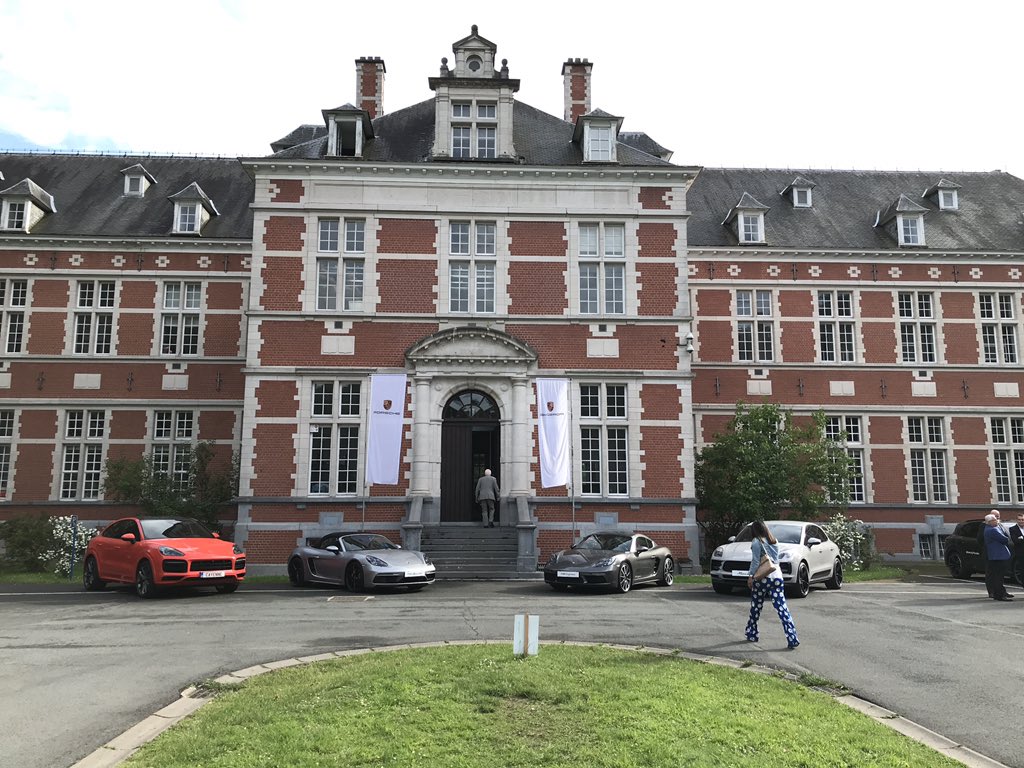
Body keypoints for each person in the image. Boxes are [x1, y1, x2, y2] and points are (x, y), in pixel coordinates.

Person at [745, 520, 799, 649]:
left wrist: (751, 576)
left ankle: (752, 632)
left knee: (756, 607)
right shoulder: (774, 541)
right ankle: (792, 637)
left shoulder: (756, 542)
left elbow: (756, 561)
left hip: (763, 578)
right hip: (777, 576)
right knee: (782, 608)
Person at [983, 512, 1014, 601]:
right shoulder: (993, 530)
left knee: (997, 576)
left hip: (995, 556)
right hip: (998, 556)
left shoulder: (989, 528)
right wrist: (1006, 537)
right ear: (990, 522)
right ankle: (1000, 595)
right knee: (998, 577)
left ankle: (999, 593)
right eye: (994, 520)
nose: (996, 521)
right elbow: (1004, 539)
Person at [1009, 512, 1024, 588]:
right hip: (1021, 553)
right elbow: (1015, 541)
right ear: (1017, 520)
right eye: (1019, 520)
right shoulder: (1013, 529)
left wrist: (1021, 538)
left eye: (1022, 519)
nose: (1021, 521)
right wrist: (1020, 539)